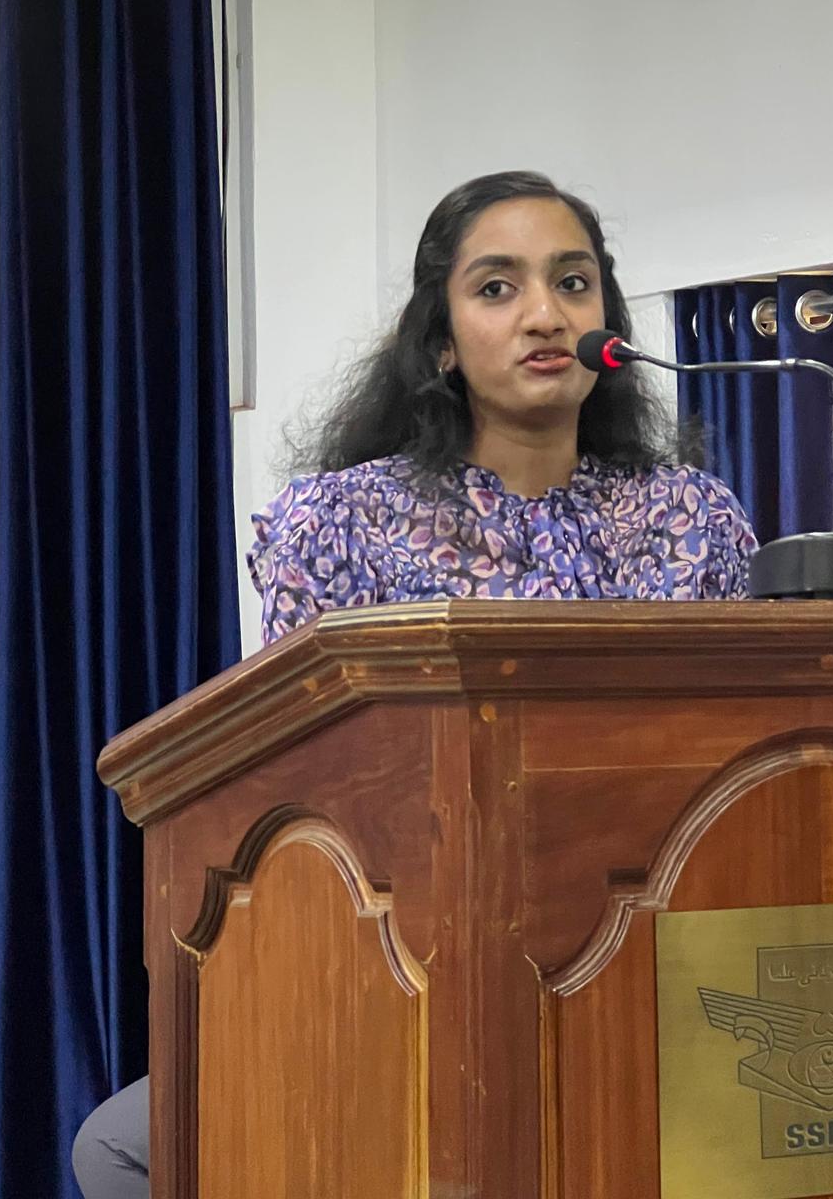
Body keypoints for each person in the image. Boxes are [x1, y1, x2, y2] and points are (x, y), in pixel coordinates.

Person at [72, 169, 755, 1197]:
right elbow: (301, 780)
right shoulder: (336, 524)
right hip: (401, 957)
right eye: (498, 287)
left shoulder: (691, 518)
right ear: (441, 341)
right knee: (126, 1147)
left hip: (643, 953)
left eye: (573, 283)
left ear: (607, 321)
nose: (545, 314)